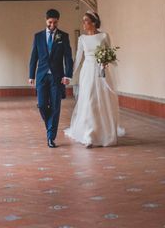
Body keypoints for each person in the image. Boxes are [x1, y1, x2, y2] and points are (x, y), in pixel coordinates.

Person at [64, 11, 123, 147]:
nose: (84, 23)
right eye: (83, 20)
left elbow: (111, 54)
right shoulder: (82, 39)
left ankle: (104, 132)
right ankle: (89, 134)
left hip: (101, 71)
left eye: (86, 21)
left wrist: (105, 61)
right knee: (89, 99)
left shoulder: (104, 36)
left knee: (102, 100)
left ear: (94, 22)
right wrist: (69, 74)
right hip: (87, 71)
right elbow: (78, 57)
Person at [28, 8, 73, 148]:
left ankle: (50, 137)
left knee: (55, 106)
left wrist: (68, 75)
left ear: (58, 21)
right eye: (50, 22)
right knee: (41, 105)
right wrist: (31, 75)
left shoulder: (63, 36)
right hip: (41, 76)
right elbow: (33, 57)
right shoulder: (38, 36)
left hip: (57, 77)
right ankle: (50, 125)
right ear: (46, 20)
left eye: (55, 22)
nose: (52, 25)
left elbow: (68, 57)